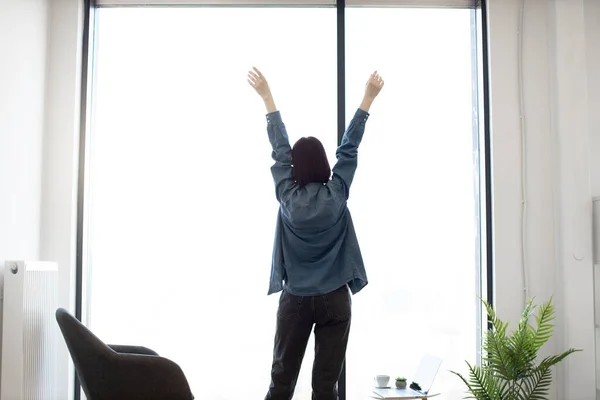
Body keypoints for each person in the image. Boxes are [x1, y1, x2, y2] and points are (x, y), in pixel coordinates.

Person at [247, 67, 384, 400]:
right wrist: (368, 98)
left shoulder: (287, 196)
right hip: (335, 299)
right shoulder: (337, 193)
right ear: (323, 163)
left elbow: (280, 149)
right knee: (326, 387)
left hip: (295, 299)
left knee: (281, 383)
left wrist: (267, 97)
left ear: (295, 169)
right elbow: (348, 149)